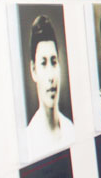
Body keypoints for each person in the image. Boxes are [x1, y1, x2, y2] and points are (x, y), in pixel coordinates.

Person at [25, 15, 74, 158]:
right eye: (43, 63)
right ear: (34, 70)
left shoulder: (70, 129)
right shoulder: (29, 141)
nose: (51, 76)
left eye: (54, 62)